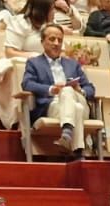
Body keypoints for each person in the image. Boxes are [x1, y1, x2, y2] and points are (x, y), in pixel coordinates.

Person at [21, 24, 96, 156]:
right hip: (53, 106)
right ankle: (77, 152)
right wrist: (51, 89)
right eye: (52, 39)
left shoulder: (73, 64)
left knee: (68, 91)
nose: (56, 43)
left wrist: (80, 90)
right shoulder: (34, 63)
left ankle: (67, 133)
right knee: (76, 108)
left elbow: (90, 88)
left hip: (78, 99)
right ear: (42, 42)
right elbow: (27, 84)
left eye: (60, 40)